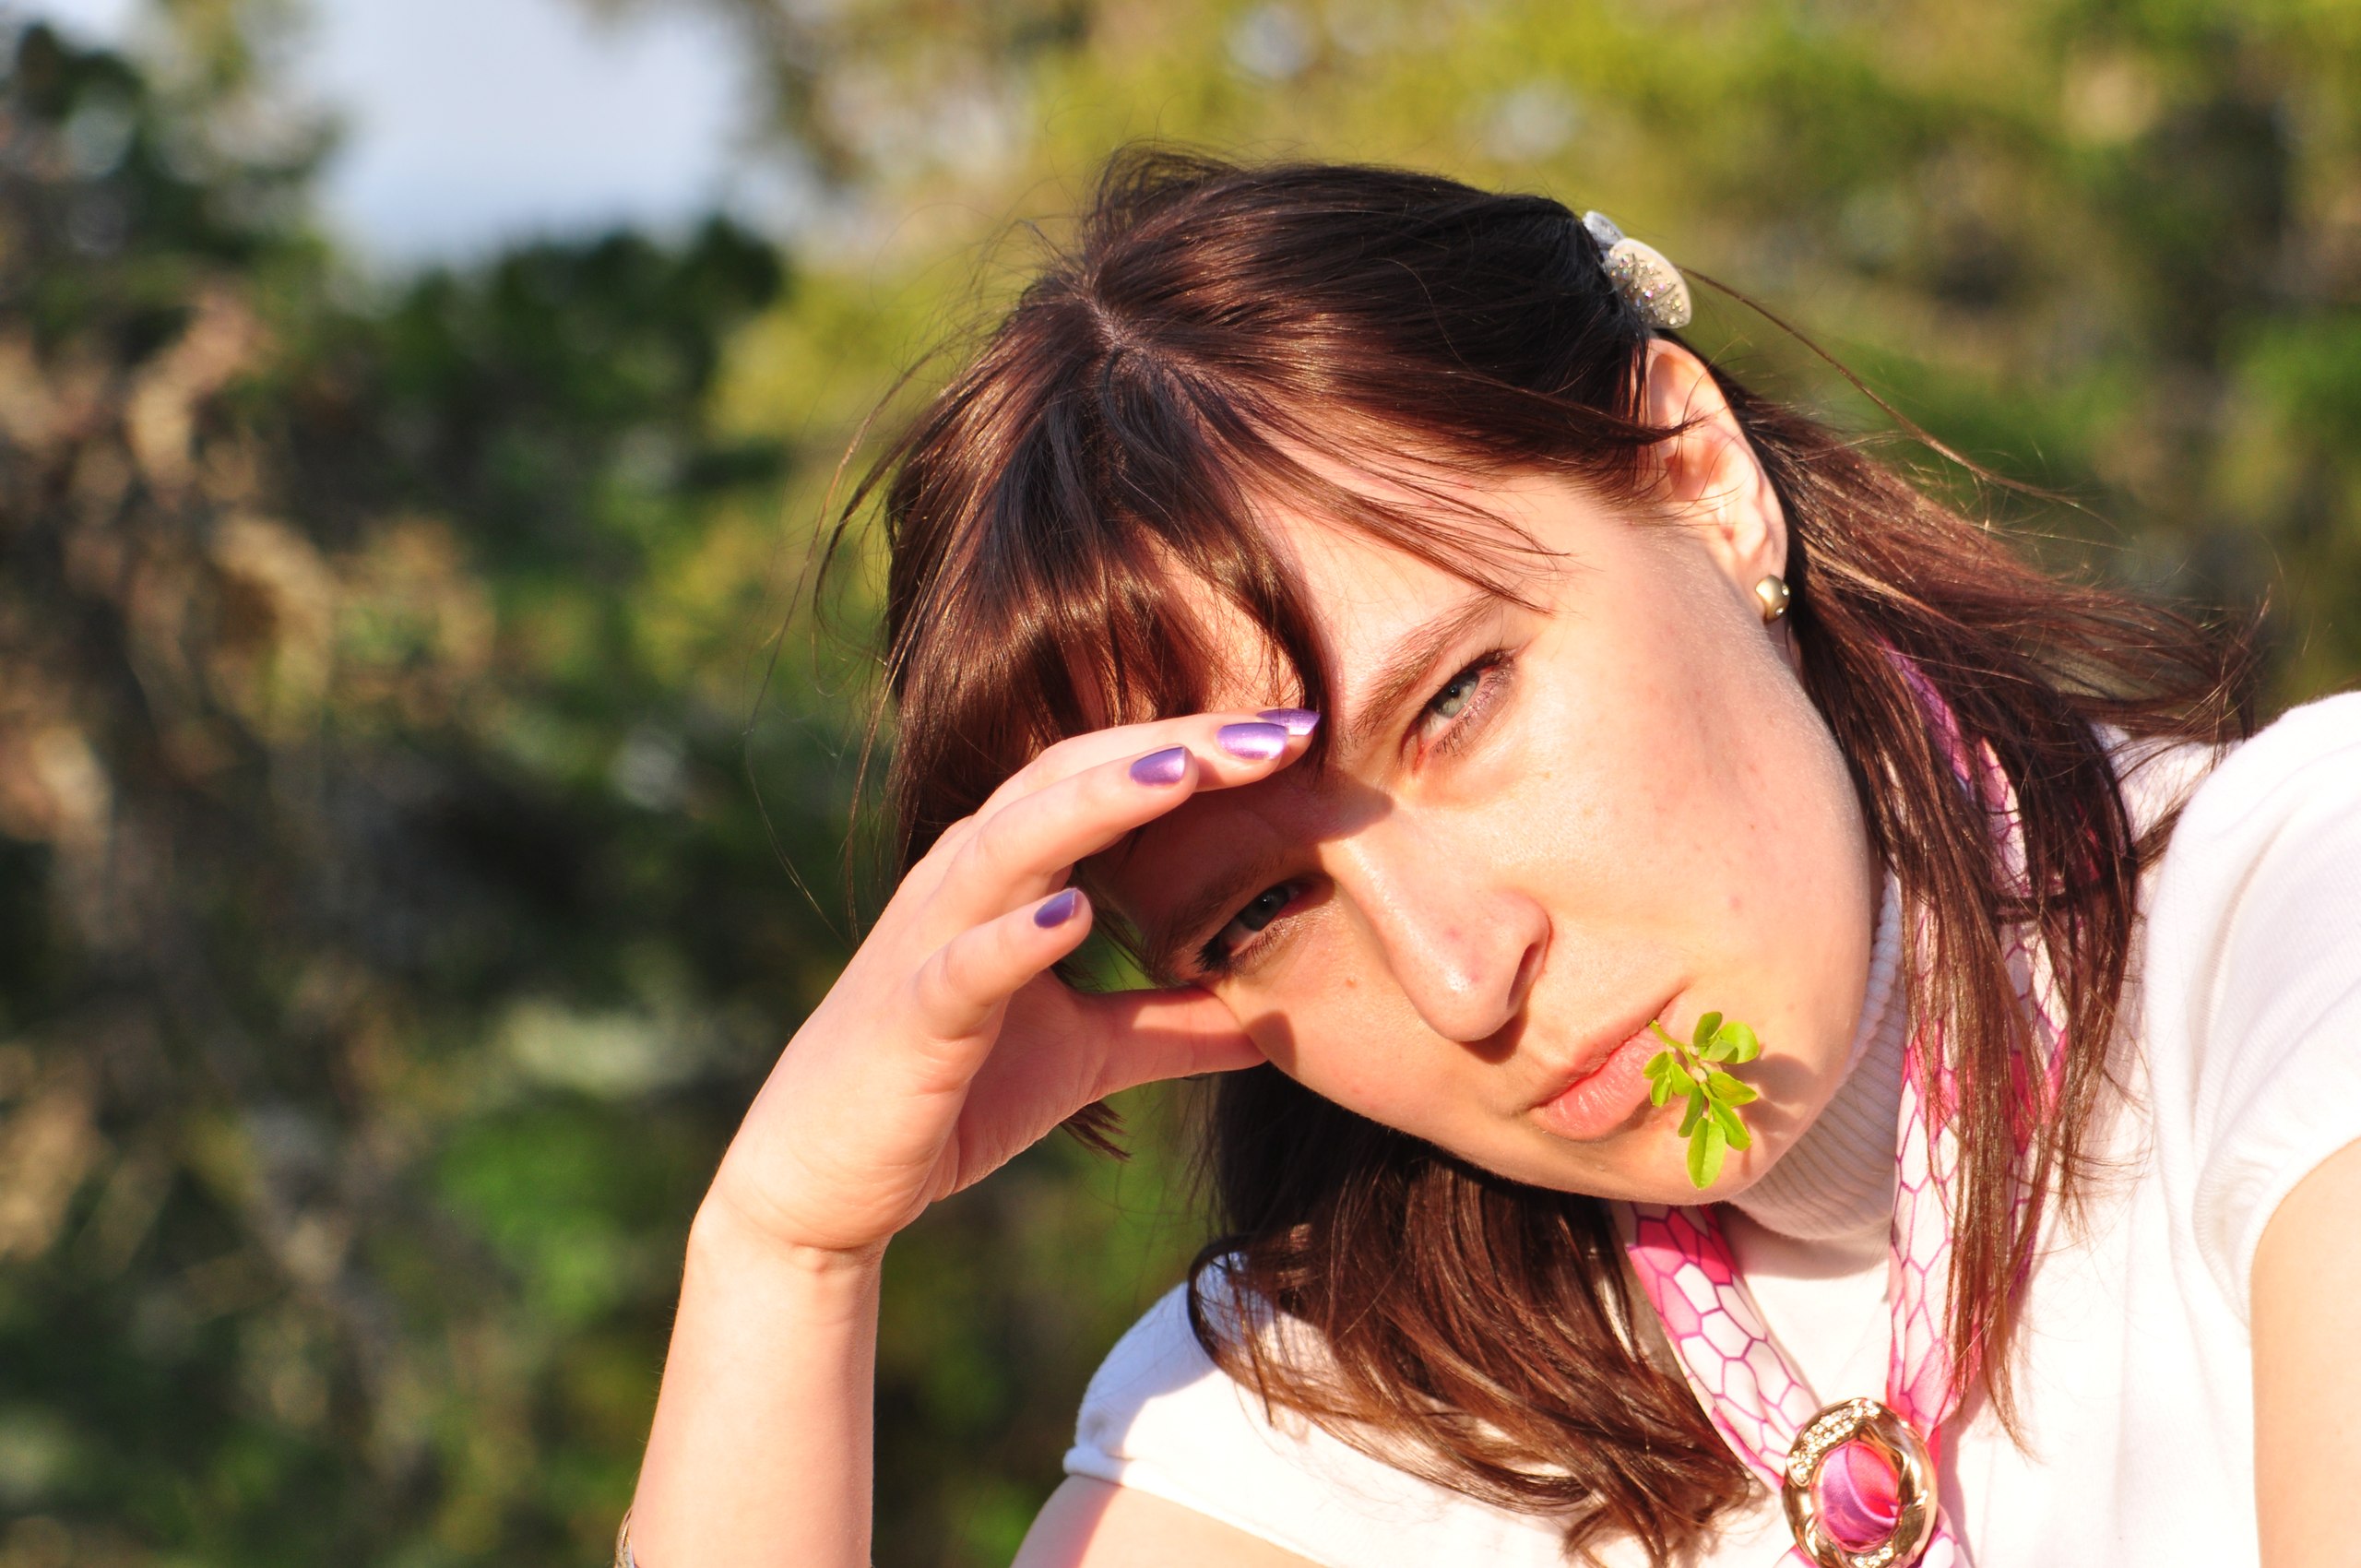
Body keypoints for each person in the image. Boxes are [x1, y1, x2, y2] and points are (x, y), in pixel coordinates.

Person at [616, 149, 2361, 1567]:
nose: (1461, 974)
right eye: (1262, 913)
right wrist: (780, 1256)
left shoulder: (2293, 924)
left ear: (1700, 475)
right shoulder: (1324, 1416)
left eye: (1454, 703)